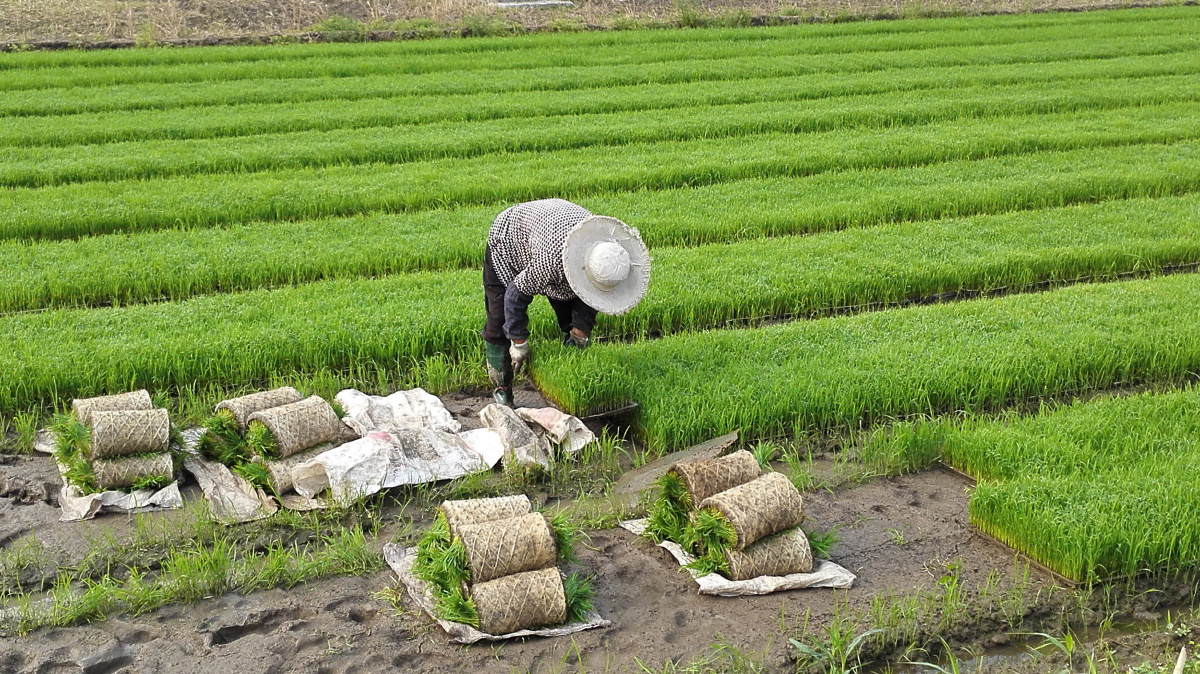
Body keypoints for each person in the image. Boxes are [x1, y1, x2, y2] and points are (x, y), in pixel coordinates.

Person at [482, 198, 651, 406]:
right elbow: (515, 296)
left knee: (570, 313)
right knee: (498, 320)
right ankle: (502, 388)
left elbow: (593, 294)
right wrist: (519, 343)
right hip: (510, 240)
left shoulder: (607, 251)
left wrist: (580, 331)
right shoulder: (550, 262)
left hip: (553, 233)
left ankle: (572, 358)